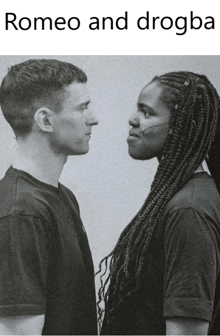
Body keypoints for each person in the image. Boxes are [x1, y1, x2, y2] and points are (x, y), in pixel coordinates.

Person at [97, 71, 220, 335]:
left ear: (180, 125)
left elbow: (188, 331)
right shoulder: (181, 195)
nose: (133, 119)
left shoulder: (190, 210)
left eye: (147, 112)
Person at [0, 58, 99, 335]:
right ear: (45, 120)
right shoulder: (20, 213)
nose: (93, 118)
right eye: (82, 108)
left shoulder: (61, 196)